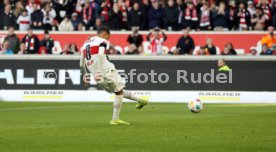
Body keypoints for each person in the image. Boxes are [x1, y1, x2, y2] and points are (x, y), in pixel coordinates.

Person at [79, 26, 148, 125]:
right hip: (106, 70)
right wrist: (99, 71)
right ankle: (115, 119)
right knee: (118, 92)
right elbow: (100, 54)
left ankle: (141, 101)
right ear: (104, 34)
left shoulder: (85, 45)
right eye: (108, 37)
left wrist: (86, 76)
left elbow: (81, 63)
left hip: (96, 75)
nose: (108, 40)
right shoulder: (102, 41)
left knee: (118, 90)